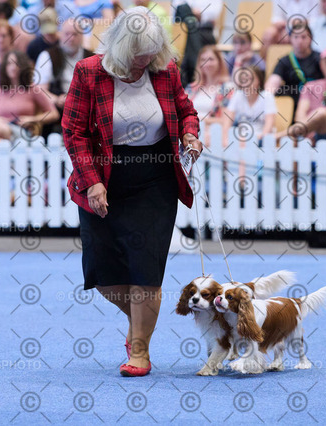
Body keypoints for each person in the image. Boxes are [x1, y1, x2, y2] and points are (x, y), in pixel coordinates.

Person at [62, 7, 202, 377]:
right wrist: (92, 181)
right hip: (103, 177)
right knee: (103, 274)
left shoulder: (164, 69)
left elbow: (186, 111)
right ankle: (141, 320)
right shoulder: (89, 72)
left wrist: (190, 133)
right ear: (123, 48)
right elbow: (74, 132)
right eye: (140, 55)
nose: (146, 62)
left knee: (146, 270)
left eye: (153, 54)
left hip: (155, 179)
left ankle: (139, 350)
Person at [0, 51, 59, 145]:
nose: (13, 67)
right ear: (4, 67)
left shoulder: (32, 89)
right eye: (9, 64)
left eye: (16, 63)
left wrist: (33, 119)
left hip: (22, 131)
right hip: (0, 129)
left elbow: (54, 114)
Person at [35, 18, 94, 132]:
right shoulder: (47, 56)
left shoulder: (91, 57)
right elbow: (39, 90)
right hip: (58, 112)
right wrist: (56, 99)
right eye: (67, 34)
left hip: (87, 110)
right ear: (60, 35)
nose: (71, 38)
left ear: (82, 36)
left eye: (75, 34)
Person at [265, 22, 324, 116]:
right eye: (296, 37)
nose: (300, 41)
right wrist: (267, 96)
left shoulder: (320, 59)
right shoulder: (284, 61)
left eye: (303, 37)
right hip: (293, 107)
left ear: (311, 39)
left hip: (316, 105)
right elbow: (273, 82)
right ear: (290, 39)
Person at [184, 45, 234, 145]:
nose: (207, 63)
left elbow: (226, 121)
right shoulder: (191, 88)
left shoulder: (227, 88)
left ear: (219, 62)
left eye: (211, 59)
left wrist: (200, 120)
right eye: (203, 60)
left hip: (213, 137)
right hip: (188, 135)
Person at [172, 0, 223, 86]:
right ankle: (195, 71)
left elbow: (214, 14)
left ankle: (188, 78)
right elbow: (175, 10)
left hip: (205, 30)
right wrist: (192, 13)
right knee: (184, 9)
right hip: (183, 31)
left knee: (185, 11)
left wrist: (199, 14)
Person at [224, 66, 276, 141]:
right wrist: (226, 138)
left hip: (261, 140)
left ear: (259, 81)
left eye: (251, 79)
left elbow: (269, 125)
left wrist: (258, 140)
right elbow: (227, 121)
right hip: (240, 139)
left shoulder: (267, 96)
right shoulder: (238, 95)